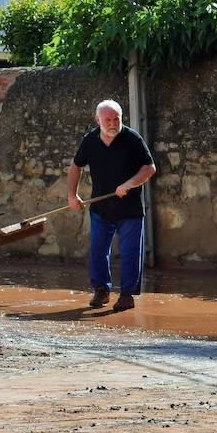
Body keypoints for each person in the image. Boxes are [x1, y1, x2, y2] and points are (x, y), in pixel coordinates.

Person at [67, 100, 157, 312]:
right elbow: (76, 166)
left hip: (130, 210)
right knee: (98, 251)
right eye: (108, 119)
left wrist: (129, 184)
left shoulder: (132, 138)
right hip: (101, 207)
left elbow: (149, 168)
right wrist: (72, 195)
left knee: (130, 253)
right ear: (97, 120)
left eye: (117, 119)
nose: (113, 123)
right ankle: (101, 290)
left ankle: (127, 295)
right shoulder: (89, 140)